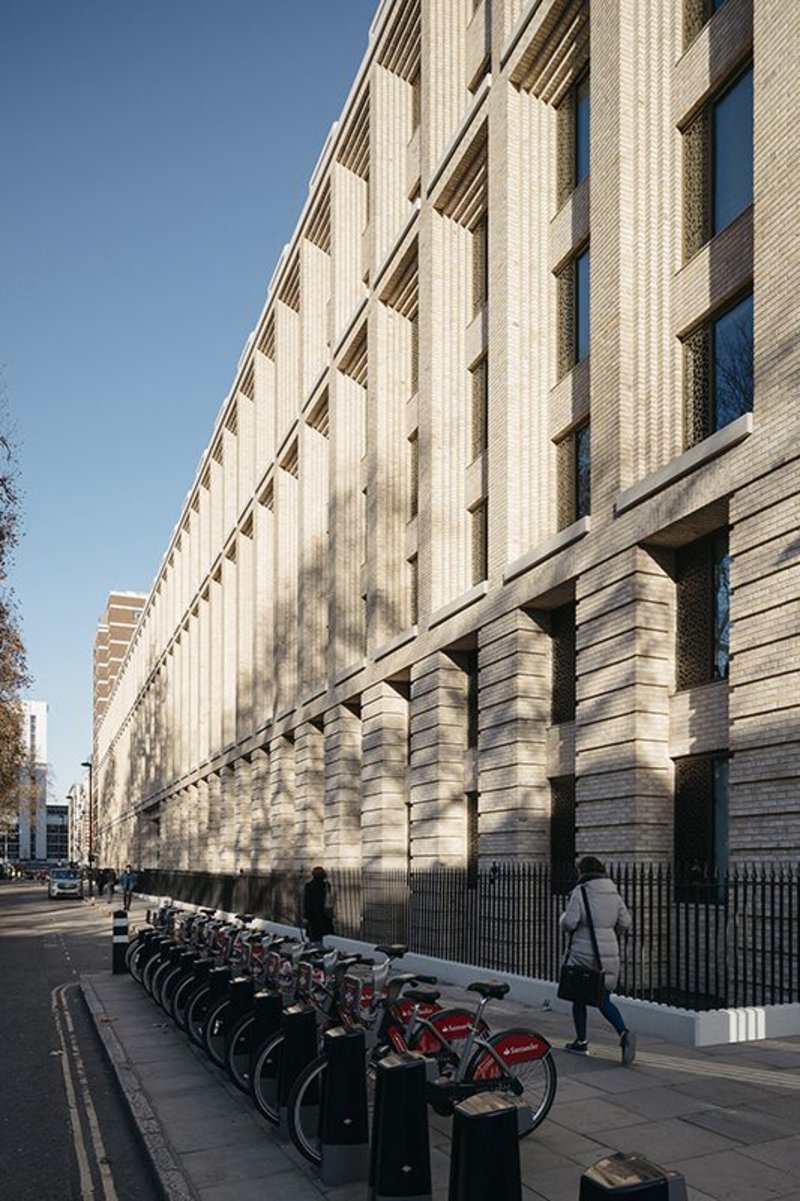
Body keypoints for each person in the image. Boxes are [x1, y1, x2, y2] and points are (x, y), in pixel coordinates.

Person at [559, 855, 636, 1065]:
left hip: (583, 953)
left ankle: (581, 1041)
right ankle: (623, 1032)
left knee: (578, 997)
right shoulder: (613, 891)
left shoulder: (581, 891)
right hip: (608, 953)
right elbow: (625, 922)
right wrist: (610, 933)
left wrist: (562, 919)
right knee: (603, 998)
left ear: (582, 872)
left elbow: (571, 922)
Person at [302, 866, 335, 942]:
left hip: (312, 915)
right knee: (324, 936)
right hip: (324, 914)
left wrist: (305, 916)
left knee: (313, 936)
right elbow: (329, 899)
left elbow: (307, 902)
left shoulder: (309, 886)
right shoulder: (326, 885)